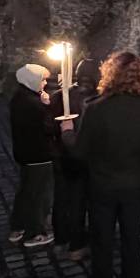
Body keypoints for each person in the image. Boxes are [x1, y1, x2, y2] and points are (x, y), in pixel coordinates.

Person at [60, 52, 140, 278]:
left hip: (102, 188)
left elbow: (80, 153)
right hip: (133, 189)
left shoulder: (95, 108)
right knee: (132, 250)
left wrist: (67, 133)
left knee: (103, 252)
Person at [50, 58, 102, 260]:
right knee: (80, 201)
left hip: (63, 155)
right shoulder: (97, 101)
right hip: (83, 157)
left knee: (63, 199)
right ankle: (76, 244)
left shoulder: (60, 96)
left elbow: (48, 126)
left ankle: (62, 239)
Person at [9, 64, 57, 248]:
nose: (44, 83)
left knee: (25, 191)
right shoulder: (33, 103)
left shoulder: (20, 97)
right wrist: (47, 107)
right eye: (42, 79)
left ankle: (17, 226)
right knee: (39, 194)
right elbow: (48, 127)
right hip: (39, 154)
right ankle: (35, 232)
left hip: (24, 153)